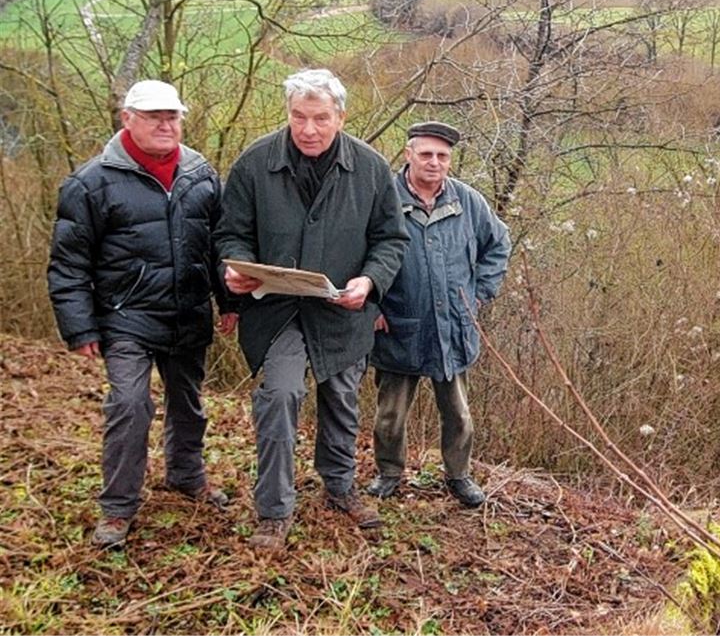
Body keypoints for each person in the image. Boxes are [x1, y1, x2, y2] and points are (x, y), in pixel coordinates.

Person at [215, 68, 409, 550]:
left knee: (342, 401)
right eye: (299, 116)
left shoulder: (369, 168)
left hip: (343, 311)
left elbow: (390, 239)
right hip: (276, 309)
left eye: (320, 118)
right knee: (280, 396)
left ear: (341, 117)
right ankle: (274, 511)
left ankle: (340, 487)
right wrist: (232, 271)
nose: (308, 129)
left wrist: (370, 280)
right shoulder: (255, 162)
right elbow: (231, 232)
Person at [47, 79, 235, 549]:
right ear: (127, 119)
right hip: (125, 315)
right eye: (153, 117)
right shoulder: (91, 182)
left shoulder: (200, 174)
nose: (165, 125)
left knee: (188, 404)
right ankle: (117, 507)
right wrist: (80, 326)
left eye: (172, 116)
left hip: (188, 312)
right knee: (129, 407)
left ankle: (186, 475)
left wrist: (230, 302)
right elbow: (68, 263)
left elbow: (220, 247)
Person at [367, 121, 511, 508]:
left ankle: (459, 475)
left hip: (453, 327)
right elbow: (356, 253)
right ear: (408, 154)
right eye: (426, 154)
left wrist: (479, 293)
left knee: (459, 413)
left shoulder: (469, 202)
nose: (434, 162)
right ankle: (389, 473)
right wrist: (371, 304)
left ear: (450, 160)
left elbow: (499, 244)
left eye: (442, 156)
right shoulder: (383, 200)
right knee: (390, 415)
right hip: (397, 324)